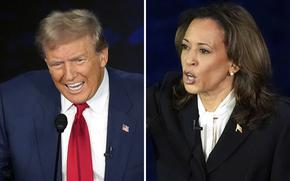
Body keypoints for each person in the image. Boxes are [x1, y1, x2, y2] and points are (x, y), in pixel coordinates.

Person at [147, 3, 290, 181]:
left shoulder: (279, 122)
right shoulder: (164, 101)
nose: (189, 59)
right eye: (185, 47)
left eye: (203, 50)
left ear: (235, 63)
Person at [0, 9, 143, 181]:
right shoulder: (11, 101)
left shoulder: (142, 98)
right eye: (57, 64)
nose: (68, 75)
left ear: (103, 56)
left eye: (79, 60)